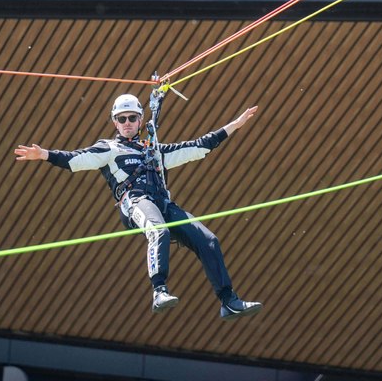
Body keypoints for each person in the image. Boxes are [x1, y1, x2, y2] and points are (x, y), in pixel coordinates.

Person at [14, 90, 263, 320]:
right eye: (121, 119)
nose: (127, 123)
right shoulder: (108, 149)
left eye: (132, 118)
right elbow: (75, 160)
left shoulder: (154, 151)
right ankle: (159, 290)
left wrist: (234, 125)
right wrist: (44, 154)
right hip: (134, 202)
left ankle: (228, 301)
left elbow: (198, 146)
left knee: (208, 241)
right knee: (158, 230)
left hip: (162, 203)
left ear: (140, 120)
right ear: (115, 122)